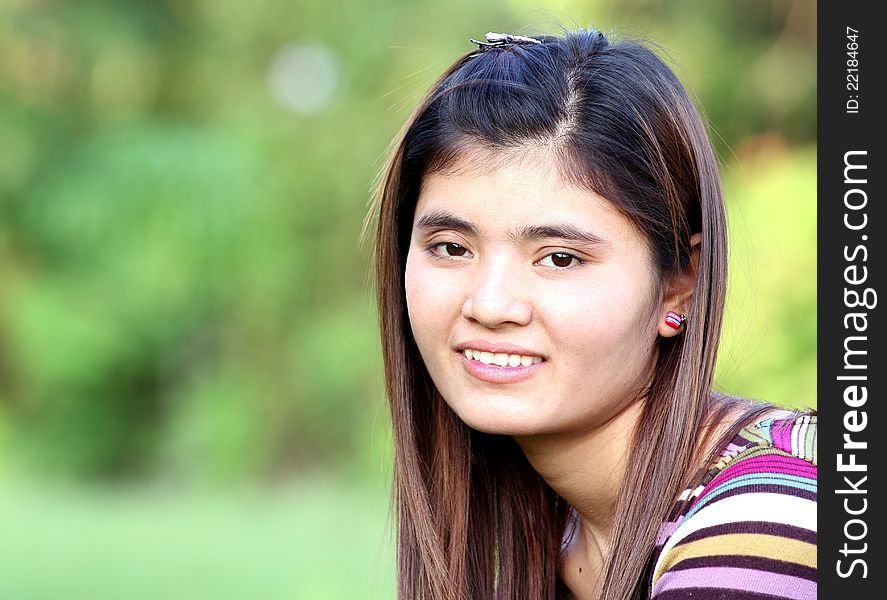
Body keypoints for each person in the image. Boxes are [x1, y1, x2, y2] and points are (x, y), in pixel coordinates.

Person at [366, 28, 816, 600]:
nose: (490, 304)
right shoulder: (559, 534)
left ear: (679, 285)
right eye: (452, 247)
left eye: (558, 258)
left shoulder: (762, 529)